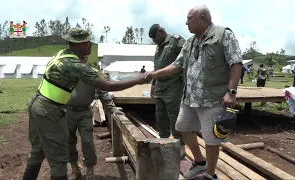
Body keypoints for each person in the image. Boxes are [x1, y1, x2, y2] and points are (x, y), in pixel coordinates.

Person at [22, 28, 149, 180]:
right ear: (78, 44)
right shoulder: (75, 65)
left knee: (38, 151)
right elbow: (107, 85)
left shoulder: (60, 55)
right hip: (50, 110)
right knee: (59, 159)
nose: (91, 45)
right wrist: (138, 79)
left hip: (37, 105)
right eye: (88, 42)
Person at [146, 5, 243, 180]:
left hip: (211, 98)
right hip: (190, 97)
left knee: (211, 139)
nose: (186, 22)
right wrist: (155, 74)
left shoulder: (223, 35)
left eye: (190, 18)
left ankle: (211, 175)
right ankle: (199, 162)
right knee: (182, 126)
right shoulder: (190, 42)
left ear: (203, 18)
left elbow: (236, 63)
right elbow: (177, 65)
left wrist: (232, 92)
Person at [67, 82, 123, 180]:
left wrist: (112, 108)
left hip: (84, 113)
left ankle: (90, 171)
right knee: (68, 142)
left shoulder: (89, 73)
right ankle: (75, 169)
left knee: (87, 142)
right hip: (68, 111)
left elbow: (102, 91)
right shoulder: (66, 70)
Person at [148, 24, 186, 158]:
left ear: (162, 31)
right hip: (160, 86)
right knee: (160, 115)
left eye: (155, 37)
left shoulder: (176, 41)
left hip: (174, 85)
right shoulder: (159, 46)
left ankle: (180, 144)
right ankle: (163, 140)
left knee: (174, 115)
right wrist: (153, 85)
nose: (154, 41)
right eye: (153, 39)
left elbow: (189, 57)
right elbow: (157, 67)